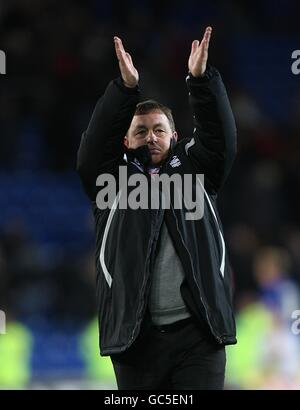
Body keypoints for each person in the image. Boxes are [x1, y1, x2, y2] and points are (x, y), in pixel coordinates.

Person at [77, 26, 237, 390]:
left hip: (199, 336)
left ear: (175, 136)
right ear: (126, 140)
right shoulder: (111, 183)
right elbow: (91, 153)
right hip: (136, 342)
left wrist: (201, 81)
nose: (151, 137)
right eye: (141, 130)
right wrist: (125, 89)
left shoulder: (198, 172)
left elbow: (220, 138)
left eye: (159, 129)